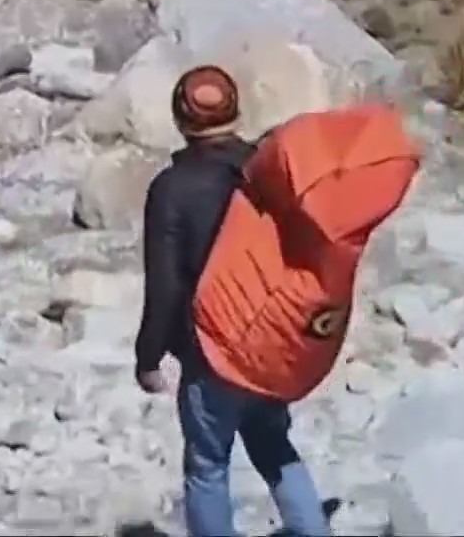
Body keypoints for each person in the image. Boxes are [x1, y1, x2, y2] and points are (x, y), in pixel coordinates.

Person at [134, 66, 330, 537]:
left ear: (181, 119)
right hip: (271, 341)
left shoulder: (171, 189)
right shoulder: (268, 170)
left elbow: (165, 285)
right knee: (274, 446)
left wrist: (148, 356)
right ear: (237, 111)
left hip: (210, 352)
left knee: (207, 465)